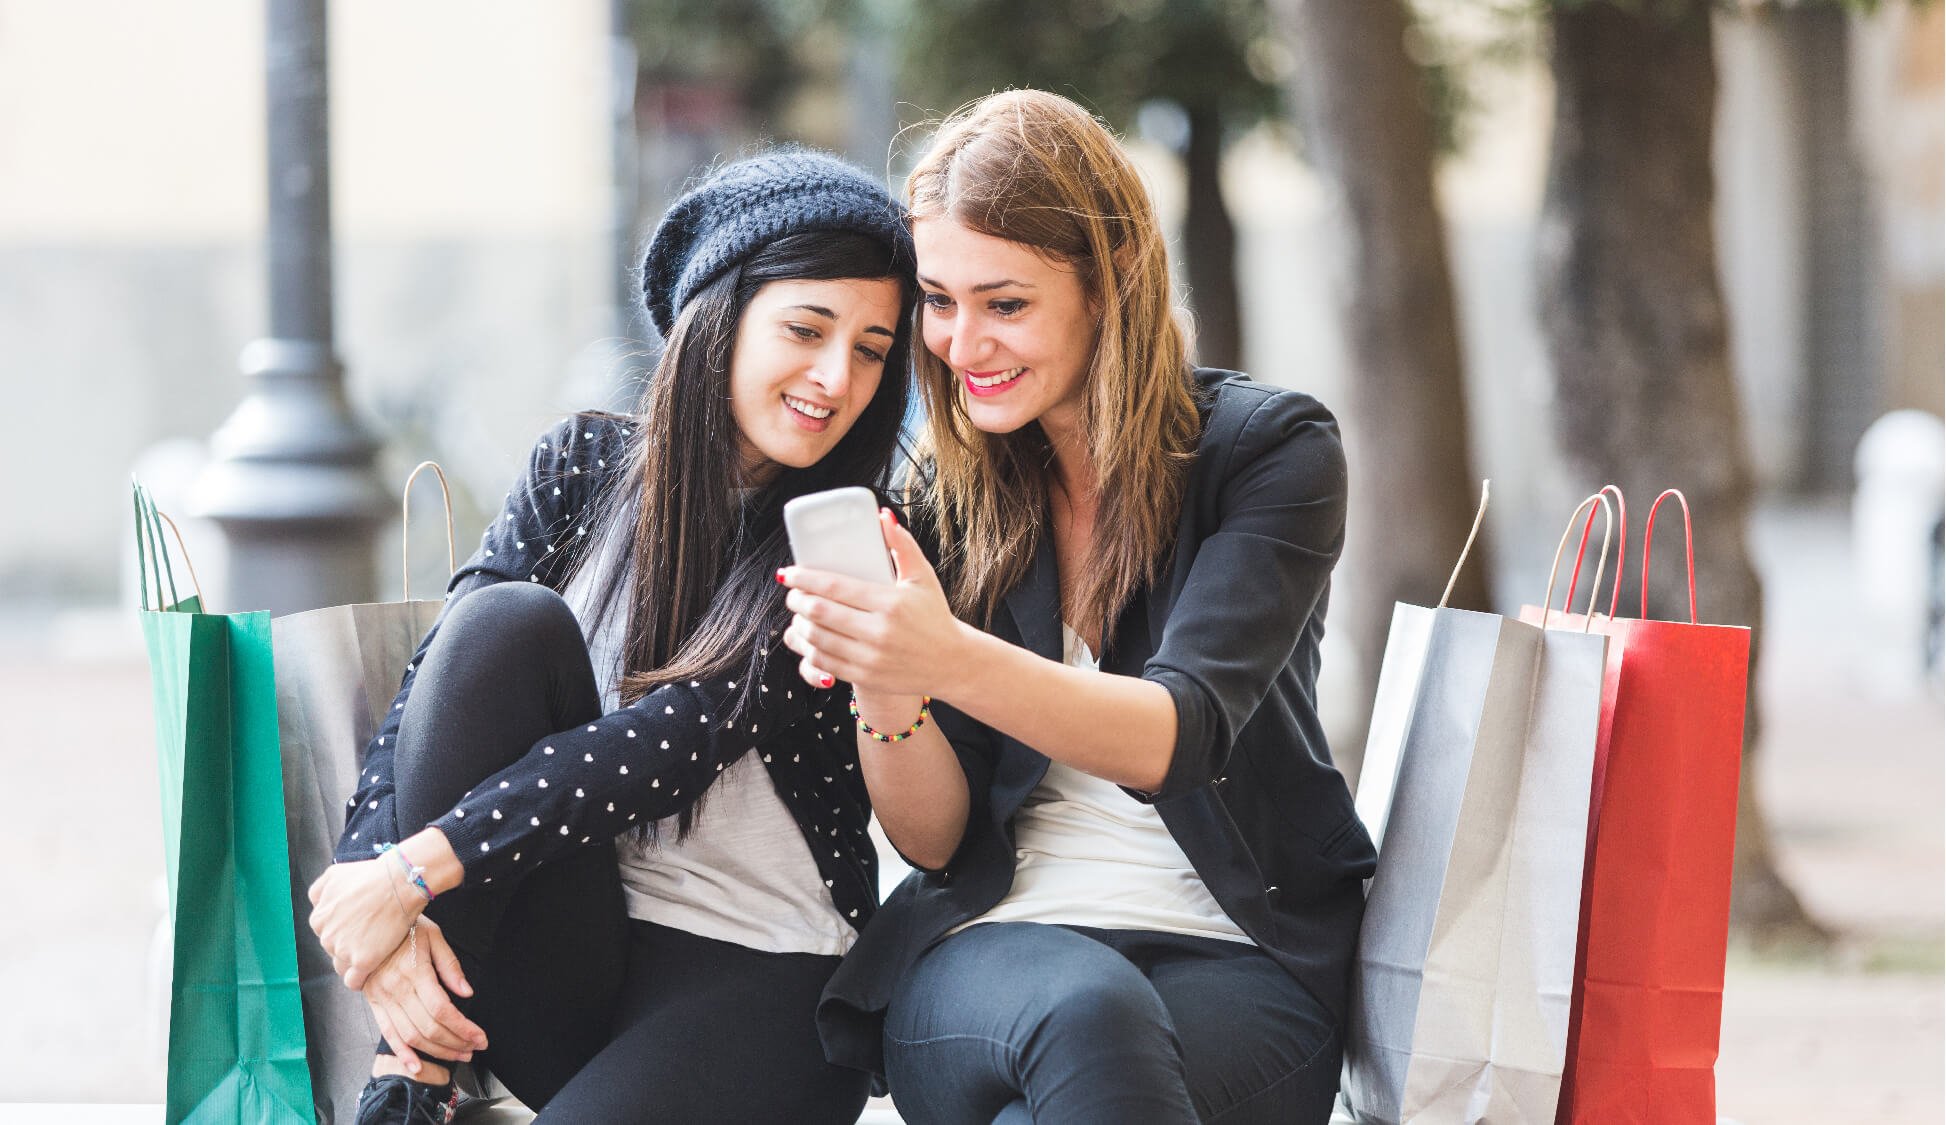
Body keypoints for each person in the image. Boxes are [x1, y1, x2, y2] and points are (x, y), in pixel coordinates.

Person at [779, 90, 1377, 1125]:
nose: (961, 346)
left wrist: (946, 654)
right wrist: (889, 683)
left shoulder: (1268, 454)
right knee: (1085, 1011)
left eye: (1003, 304)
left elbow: (1175, 737)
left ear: (1110, 286)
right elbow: (932, 840)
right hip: (987, 952)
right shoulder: (941, 502)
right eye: (939, 300)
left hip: (1239, 952)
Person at [306, 149, 915, 1125]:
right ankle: (408, 1075)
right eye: (806, 328)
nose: (836, 375)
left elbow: (675, 740)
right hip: (574, 951)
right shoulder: (582, 467)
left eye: (873, 348)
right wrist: (372, 902)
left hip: (763, 977)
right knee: (498, 626)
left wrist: (411, 871)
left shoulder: (850, 535)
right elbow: (438, 690)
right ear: (717, 317)